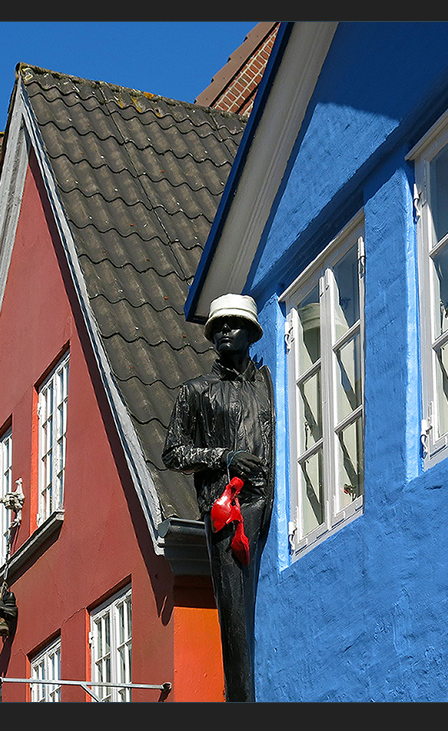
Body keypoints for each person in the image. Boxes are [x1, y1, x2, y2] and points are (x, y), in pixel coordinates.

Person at [163, 293, 273, 702]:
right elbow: (173, 452)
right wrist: (223, 456)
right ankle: (240, 701)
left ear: (250, 332)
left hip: (264, 504)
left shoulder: (266, 386)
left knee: (245, 605)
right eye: (219, 325)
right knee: (232, 606)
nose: (225, 330)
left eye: (234, 323)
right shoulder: (197, 391)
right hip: (226, 508)